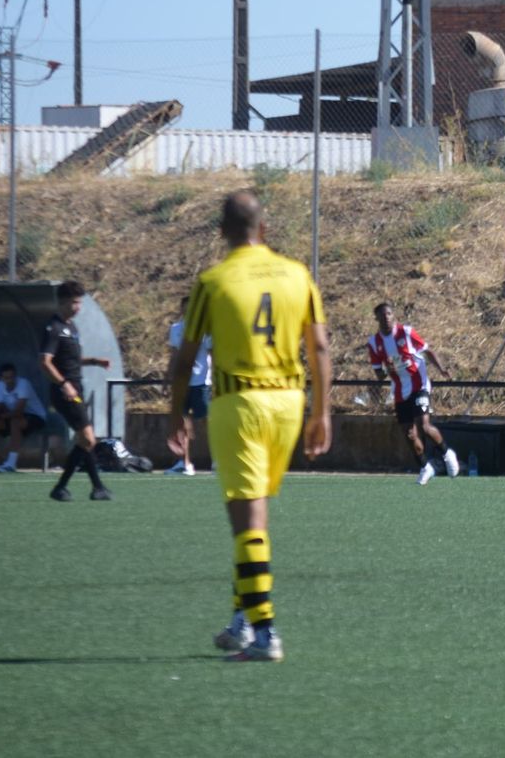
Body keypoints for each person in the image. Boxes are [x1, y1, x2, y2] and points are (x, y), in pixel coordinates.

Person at [167, 190, 333, 663]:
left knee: (249, 526)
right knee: (254, 522)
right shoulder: (297, 275)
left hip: (238, 404)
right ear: (264, 229)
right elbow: (320, 348)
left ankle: (265, 634)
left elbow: (185, 358)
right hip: (288, 404)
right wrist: (321, 413)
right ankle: (240, 622)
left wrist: (175, 411)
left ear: (221, 231)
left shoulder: (213, 282)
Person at [367, 301, 460, 485]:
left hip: (419, 384)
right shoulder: (374, 343)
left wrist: (442, 369)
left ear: (393, 315)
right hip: (400, 390)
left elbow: (427, 351)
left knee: (424, 426)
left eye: (389, 314)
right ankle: (426, 467)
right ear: (376, 318)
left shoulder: (406, 332)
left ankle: (447, 453)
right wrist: (386, 369)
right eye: (382, 315)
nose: (386, 318)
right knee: (409, 434)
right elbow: (379, 374)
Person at [43, 280, 114, 502]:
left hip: (75, 389)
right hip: (65, 392)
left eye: (79, 303)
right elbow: (45, 362)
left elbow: (70, 360)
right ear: (62, 302)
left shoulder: (71, 327)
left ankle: (97, 488)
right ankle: (62, 487)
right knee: (89, 439)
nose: (78, 307)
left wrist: (94, 361)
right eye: (74, 303)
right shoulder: (54, 328)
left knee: (85, 440)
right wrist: (64, 384)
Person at [165, 300, 213, 476]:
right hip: (182, 383)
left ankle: (218, 461)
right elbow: (174, 355)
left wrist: (215, 378)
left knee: (208, 422)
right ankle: (184, 463)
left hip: (201, 383)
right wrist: (168, 377)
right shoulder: (176, 329)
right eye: (185, 309)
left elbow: (212, 352)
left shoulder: (205, 329)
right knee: (182, 423)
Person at [0, 363, 46, 473]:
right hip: (13, 417)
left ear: (15, 376)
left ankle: (11, 464)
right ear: (1, 378)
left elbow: (19, 411)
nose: (9, 380)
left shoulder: (23, 383)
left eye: (11, 377)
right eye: (6, 378)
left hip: (36, 417)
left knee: (15, 422)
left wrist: (1, 416)